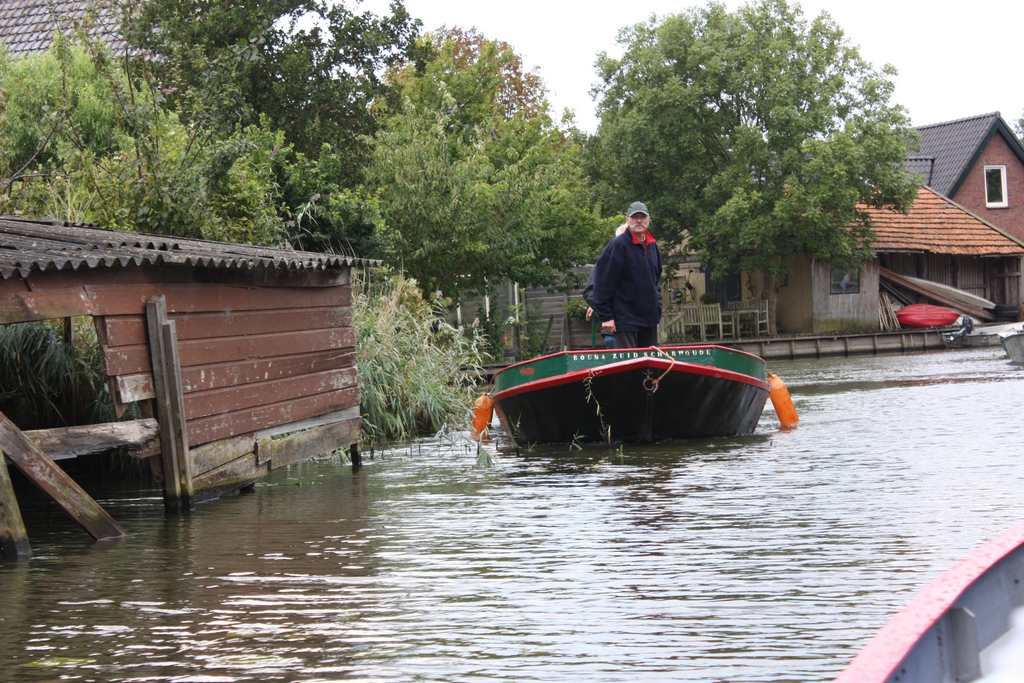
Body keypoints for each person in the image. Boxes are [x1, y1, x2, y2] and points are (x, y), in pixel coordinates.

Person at [591, 201, 663, 349]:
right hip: (625, 320)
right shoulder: (618, 245)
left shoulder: (653, 246)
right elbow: (603, 282)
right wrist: (606, 317)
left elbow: (656, 279)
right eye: (634, 217)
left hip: (649, 320)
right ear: (627, 220)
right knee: (629, 366)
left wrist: (657, 306)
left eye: (642, 217)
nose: (638, 221)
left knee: (650, 368)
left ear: (648, 220)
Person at [582, 225, 627, 349]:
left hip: (640, 329)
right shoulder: (604, 264)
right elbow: (590, 292)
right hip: (614, 331)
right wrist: (605, 311)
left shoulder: (644, 262)